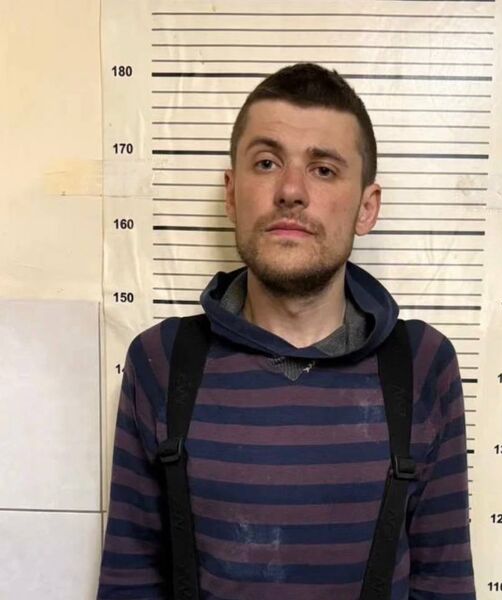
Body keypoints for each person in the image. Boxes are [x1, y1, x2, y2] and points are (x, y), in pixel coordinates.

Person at [97, 63, 476, 600]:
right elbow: (128, 584)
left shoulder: (422, 364)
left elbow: (445, 585)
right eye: (267, 162)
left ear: (366, 207)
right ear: (232, 195)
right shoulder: (162, 359)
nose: (291, 191)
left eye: (323, 169)